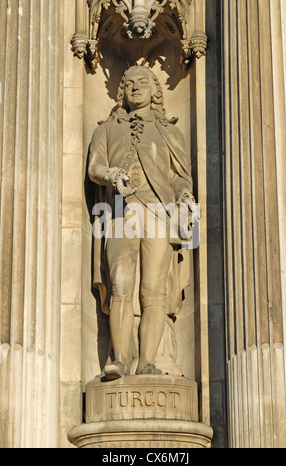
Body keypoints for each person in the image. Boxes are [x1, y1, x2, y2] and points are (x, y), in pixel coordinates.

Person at [88, 65, 196, 380]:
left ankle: (147, 361)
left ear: (155, 90)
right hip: (121, 212)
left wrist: (186, 195)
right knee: (120, 284)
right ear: (121, 91)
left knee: (153, 291)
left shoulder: (170, 132)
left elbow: (179, 177)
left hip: (159, 214)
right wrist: (111, 175)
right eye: (129, 83)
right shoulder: (105, 130)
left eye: (143, 82)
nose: (135, 87)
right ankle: (120, 360)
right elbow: (95, 167)